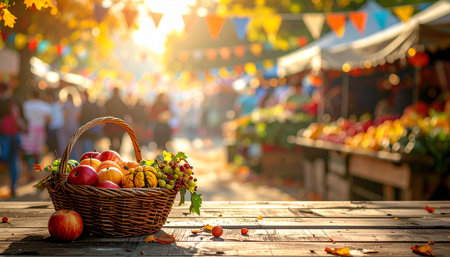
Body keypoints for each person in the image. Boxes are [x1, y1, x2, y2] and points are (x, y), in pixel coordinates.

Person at [0, 82, 25, 196]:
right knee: (13, 160)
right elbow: (17, 117)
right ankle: (13, 186)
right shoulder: (12, 101)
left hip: (3, 134)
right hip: (14, 133)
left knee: (4, 156)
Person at [21, 89, 52, 169]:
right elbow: (49, 119)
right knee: (37, 150)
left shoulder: (26, 105)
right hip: (40, 129)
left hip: (29, 129)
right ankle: (36, 167)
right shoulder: (44, 105)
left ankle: (30, 168)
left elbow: (22, 117)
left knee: (28, 150)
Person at [104, 87, 129, 152]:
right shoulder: (121, 102)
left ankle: (112, 152)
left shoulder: (108, 101)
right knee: (120, 141)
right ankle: (118, 153)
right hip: (119, 124)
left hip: (110, 124)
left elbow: (104, 112)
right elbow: (127, 111)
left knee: (111, 141)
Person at [59, 93, 81, 160]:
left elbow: (66, 115)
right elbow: (78, 116)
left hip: (67, 124)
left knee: (65, 142)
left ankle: (66, 159)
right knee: (74, 143)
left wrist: (64, 124)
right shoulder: (75, 105)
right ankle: (75, 158)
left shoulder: (66, 104)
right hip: (75, 125)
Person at [45, 90, 64, 157]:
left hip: (54, 128)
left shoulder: (51, 106)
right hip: (57, 127)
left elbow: (49, 119)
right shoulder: (57, 105)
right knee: (56, 146)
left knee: (54, 147)